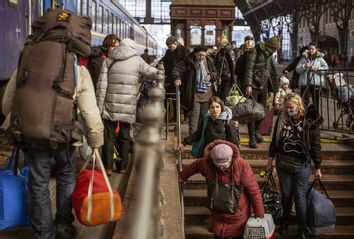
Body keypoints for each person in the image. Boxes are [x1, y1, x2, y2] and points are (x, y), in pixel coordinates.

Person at [3, 63, 104, 239]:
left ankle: (43, 231)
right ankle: (63, 225)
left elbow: (7, 103)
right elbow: (89, 110)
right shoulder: (77, 69)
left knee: (39, 182)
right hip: (65, 136)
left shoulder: (25, 64)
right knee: (66, 177)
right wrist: (95, 138)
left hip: (34, 136)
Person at [96, 38, 158, 174]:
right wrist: (161, 71)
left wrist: (99, 108)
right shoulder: (137, 60)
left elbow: (101, 86)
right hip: (127, 106)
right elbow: (151, 72)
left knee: (108, 136)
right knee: (125, 136)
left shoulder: (108, 61)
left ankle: (108, 167)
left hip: (109, 105)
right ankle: (123, 166)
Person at [179, 140, 265, 239]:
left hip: (238, 217)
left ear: (231, 158)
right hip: (218, 215)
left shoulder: (242, 166)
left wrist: (259, 214)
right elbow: (195, 165)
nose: (221, 168)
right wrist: (182, 177)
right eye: (218, 165)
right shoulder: (208, 163)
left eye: (224, 165)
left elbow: (254, 192)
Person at [267, 93, 322, 239]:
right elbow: (274, 141)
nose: (289, 110)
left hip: (302, 165)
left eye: (291, 107)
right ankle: (284, 223)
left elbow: (316, 146)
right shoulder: (282, 119)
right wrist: (269, 161)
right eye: (286, 108)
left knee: (299, 197)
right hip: (283, 163)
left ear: (299, 105)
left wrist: (318, 167)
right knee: (286, 196)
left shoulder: (309, 122)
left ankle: (302, 229)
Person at [242, 35, 279, 148]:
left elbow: (271, 72)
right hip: (253, 86)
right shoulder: (255, 51)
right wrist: (248, 85)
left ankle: (257, 130)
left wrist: (275, 88)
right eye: (274, 49)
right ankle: (252, 138)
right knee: (252, 112)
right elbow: (249, 68)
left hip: (264, 85)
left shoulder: (269, 55)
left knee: (262, 111)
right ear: (269, 46)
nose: (274, 51)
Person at [173, 46, 218, 134]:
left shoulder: (209, 61)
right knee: (194, 114)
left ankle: (201, 134)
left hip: (207, 93)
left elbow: (215, 73)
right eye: (199, 55)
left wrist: (210, 76)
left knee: (204, 115)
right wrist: (177, 78)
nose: (201, 57)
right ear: (195, 54)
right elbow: (177, 69)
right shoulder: (189, 61)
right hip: (194, 93)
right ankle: (193, 134)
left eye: (203, 56)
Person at [296, 42, 328, 108]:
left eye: (312, 49)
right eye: (310, 49)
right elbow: (297, 69)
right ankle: (304, 117)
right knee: (304, 102)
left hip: (316, 83)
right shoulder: (303, 58)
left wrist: (316, 68)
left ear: (316, 49)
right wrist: (304, 66)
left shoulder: (320, 58)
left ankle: (316, 116)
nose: (311, 50)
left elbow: (326, 68)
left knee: (316, 102)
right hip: (305, 83)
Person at [215, 36, 236, 103]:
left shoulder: (229, 51)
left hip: (227, 77)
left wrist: (234, 79)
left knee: (225, 97)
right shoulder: (220, 51)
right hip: (221, 77)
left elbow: (233, 65)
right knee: (219, 97)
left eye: (219, 43)